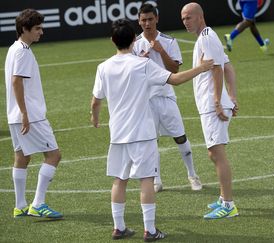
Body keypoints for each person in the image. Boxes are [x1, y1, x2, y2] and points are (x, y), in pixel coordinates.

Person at [90, 19, 213, 241]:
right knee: (146, 180)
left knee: (119, 180)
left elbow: (96, 100)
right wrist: (202, 68)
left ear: (112, 41)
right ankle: (150, 230)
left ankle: (119, 227)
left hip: (117, 133)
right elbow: (174, 79)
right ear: (133, 40)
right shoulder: (142, 64)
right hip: (142, 133)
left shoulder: (103, 67)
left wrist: (95, 117)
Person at [133, 3, 202, 193]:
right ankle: (156, 178)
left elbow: (175, 69)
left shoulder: (169, 41)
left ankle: (192, 174)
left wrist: (160, 51)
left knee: (180, 137)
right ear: (139, 21)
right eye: (143, 20)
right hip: (145, 101)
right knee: (150, 140)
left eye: (150, 19)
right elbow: (130, 74)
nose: (147, 23)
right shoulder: (135, 45)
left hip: (166, 97)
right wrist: (141, 61)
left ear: (157, 19)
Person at [181, 2, 239, 219]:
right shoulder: (206, 37)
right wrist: (231, 96)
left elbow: (218, 68)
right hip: (211, 104)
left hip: (212, 106)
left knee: (217, 154)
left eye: (189, 17)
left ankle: (229, 205)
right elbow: (228, 66)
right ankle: (224, 199)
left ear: (200, 16)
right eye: (183, 18)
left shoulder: (206, 36)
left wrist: (217, 100)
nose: (186, 22)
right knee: (214, 154)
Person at [4, 9, 63, 219]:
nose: (41, 32)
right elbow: (16, 81)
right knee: (54, 155)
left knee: (22, 157)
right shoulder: (22, 51)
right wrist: (25, 113)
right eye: (37, 28)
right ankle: (38, 204)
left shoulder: (13, 49)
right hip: (31, 116)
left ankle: (20, 206)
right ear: (24, 29)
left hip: (14, 116)